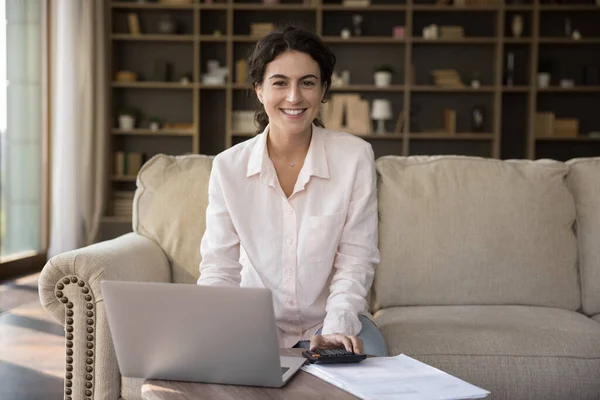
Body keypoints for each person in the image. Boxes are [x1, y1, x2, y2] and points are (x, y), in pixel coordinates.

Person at [197, 26, 388, 357]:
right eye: (280, 82)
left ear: (323, 90)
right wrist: (218, 327)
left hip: (331, 322)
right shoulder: (229, 168)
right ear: (259, 89)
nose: (294, 97)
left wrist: (337, 327)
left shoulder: (354, 158)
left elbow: (356, 259)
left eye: (307, 83)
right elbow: (219, 268)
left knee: (371, 379)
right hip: (255, 324)